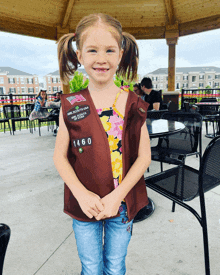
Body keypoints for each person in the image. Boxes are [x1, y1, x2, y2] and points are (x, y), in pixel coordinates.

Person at [53, 13, 151, 275]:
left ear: (120, 54)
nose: (101, 59)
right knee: (91, 267)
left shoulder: (134, 104)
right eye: (92, 50)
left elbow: (144, 157)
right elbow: (60, 157)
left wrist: (116, 197)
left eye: (109, 50)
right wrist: (81, 194)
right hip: (85, 206)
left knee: (116, 265)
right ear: (80, 55)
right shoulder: (71, 104)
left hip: (121, 205)